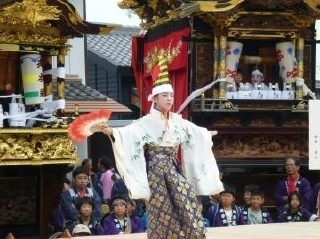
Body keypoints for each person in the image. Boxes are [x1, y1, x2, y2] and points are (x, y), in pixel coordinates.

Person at [91, 48, 224, 239]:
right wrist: (110, 131)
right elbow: (129, 133)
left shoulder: (177, 119)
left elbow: (192, 130)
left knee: (186, 200)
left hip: (173, 167)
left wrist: (205, 134)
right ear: (154, 98)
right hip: (156, 170)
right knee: (162, 209)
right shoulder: (146, 122)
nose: (170, 99)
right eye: (165, 96)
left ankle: (195, 235)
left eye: (171, 95)